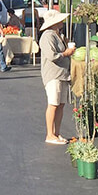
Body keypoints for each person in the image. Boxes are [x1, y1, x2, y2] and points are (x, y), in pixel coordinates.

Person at [38, 10, 74, 145]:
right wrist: (66, 53)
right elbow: (51, 55)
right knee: (53, 104)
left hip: (62, 74)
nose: (62, 21)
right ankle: (50, 134)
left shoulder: (56, 35)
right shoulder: (47, 36)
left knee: (60, 104)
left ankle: (56, 133)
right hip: (53, 74)